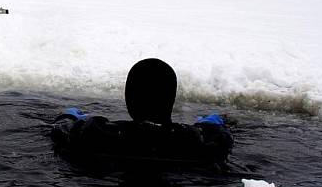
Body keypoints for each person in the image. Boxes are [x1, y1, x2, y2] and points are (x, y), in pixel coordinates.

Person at [50, 59, 234, 167]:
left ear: (129, 98)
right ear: (171, 98)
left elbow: (60, 130)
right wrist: (211, 125)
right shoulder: (196, 141)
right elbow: (222, 140)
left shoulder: (96, 132)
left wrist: (69, 116)